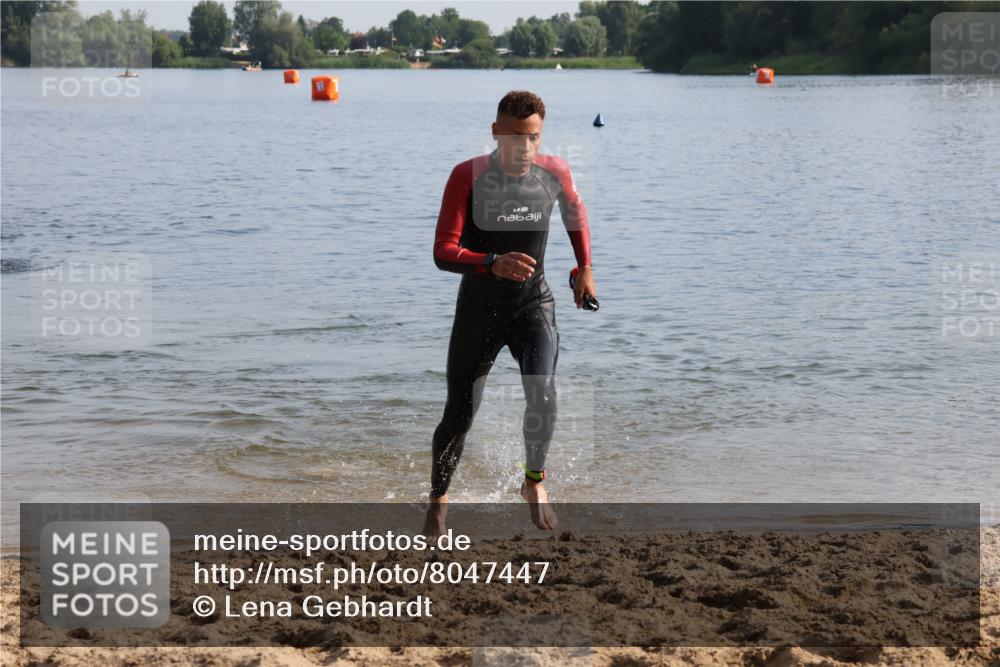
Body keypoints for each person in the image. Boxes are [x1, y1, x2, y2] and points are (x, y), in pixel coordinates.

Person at [424, 90, 596, 535]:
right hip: (479, 310)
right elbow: (443, 251)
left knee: (542, 392)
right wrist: (488, 262)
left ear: (541, 136)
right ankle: (438, 501)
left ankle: (533, 481)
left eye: (532, 137)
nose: (523, 147)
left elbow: (576, 213)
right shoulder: (467, 177)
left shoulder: (553, 173)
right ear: (496, 132)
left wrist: (585, 269)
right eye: (514, 136)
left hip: (532, 305)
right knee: (459, 416)